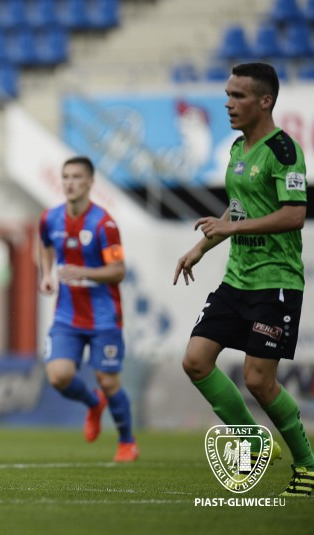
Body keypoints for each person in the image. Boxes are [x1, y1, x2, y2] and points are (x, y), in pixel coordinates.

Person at [174, 62, 313, 497]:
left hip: (276, 282)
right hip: (237, 280)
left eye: (238, 96)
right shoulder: (237, 149)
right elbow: (237, 211)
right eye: (228, 95)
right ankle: (253, 441)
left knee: (258, 380)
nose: (228, 104)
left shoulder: (284, 151)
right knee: (196, 361)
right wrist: (200, 247)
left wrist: (232, 228)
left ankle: (307, 465)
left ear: (265, 101)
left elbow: (294, 215)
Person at [38, 156, 138, 462]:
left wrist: (82, 272)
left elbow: (118, 271)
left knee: (108, 381)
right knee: (58, 376)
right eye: (66, 176)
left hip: (103, 316)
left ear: (90, 182)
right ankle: (94, 403)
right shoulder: (50, 218)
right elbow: (44, 244)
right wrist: (46, 274)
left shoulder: (104, 224)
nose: (70, 183)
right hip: (67, 315)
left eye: (77, 177)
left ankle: (127, 441)